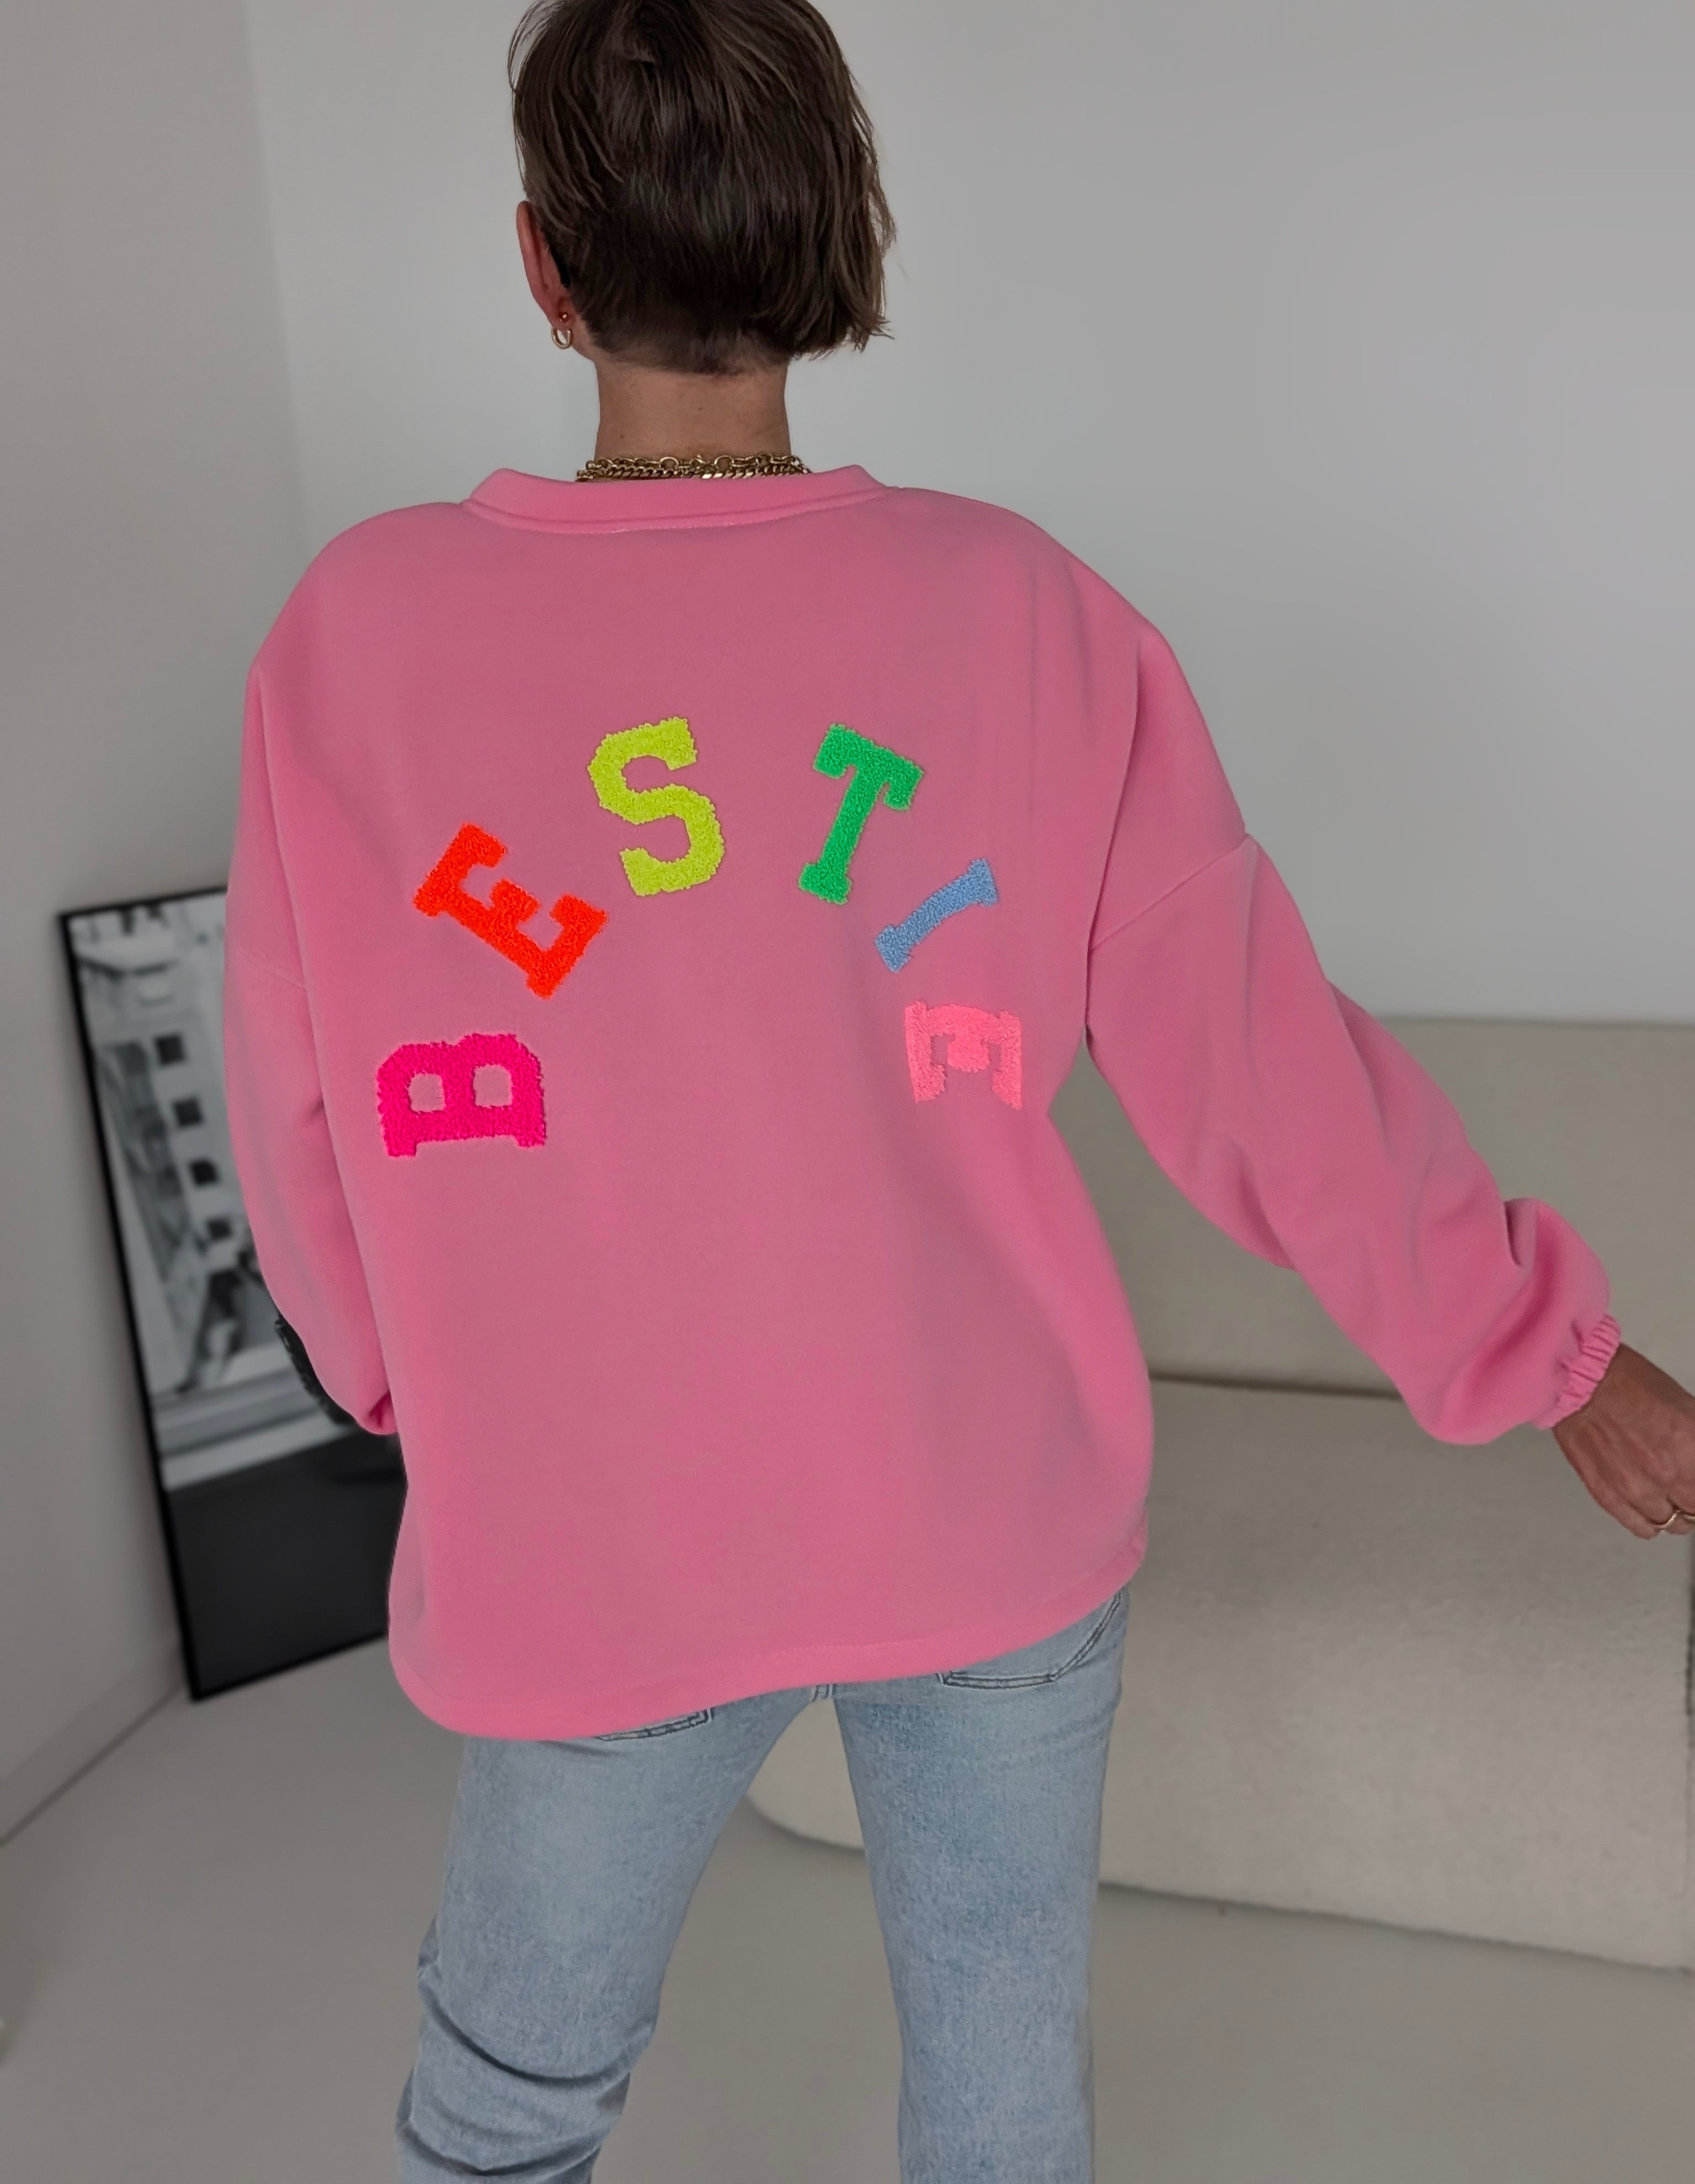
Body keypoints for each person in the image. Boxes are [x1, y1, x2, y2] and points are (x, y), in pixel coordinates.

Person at [220, 2, 1695, 2177]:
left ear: (542, 263)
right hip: (988, 1524)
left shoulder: (356, 640)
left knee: (506, 2113)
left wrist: (409, 1383)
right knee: (1004, 2119)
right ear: (842, 238)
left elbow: (299, 1102)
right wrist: (1548, 1353)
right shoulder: (1026, 618)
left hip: (593, 1540)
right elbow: (1266, 1063)